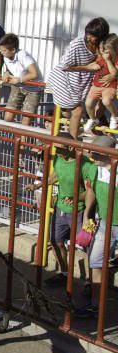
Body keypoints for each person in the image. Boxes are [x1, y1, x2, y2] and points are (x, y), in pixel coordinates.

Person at [24, 132, 91, 287]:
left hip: (79, 212)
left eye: (60, 149)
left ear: (69, 147)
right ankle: (64, 273)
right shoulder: (59, 160)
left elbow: (90, 192)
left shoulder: (85, 164)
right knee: (55, 241)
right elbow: (55, 177)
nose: (57, 152)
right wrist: (38, 185)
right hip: (60, 208)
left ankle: (89, 282)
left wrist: (76, 198)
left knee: (87, 247)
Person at [46, 17, 110, 140]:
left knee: (86, 107)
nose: (88, 37)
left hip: (81, 82)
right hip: (64, 79)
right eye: (88, 34)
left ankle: (73, 137)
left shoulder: (102, 46)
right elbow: (65, 66)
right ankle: (71, 144)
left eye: (93, 35)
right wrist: (88, 67)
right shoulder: (77, 44)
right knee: (77, 111)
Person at [78, 134, 118, 317]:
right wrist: (87, 213)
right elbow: (92, 191)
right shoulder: (97, 170)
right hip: (104, 223)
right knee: (95, 262)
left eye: (96, 153)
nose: (92, 157)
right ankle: (95, 306)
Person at [0, 33, 43, 126]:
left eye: (4, 50)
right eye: (0, 50)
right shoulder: (6, 56)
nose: (1, 52)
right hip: (18, 86)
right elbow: (10, 68)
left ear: (13, 50)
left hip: (33, 89)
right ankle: (14, 138)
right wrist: (6, 73)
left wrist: (19, 79)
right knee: (8, 117)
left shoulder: (23, 55)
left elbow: (34, 74)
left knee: (26, 121)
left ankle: (21, 139)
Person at [84, 33, 118, 134]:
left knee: (106, 101)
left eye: (107, 49)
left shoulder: (115, 59)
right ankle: (93, 119)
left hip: (109, 86)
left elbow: (114, 73)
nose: (105, 52)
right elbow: (93, 65)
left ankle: (114, 117)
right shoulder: (100, 56)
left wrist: (107, 60)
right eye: (103, 49)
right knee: (88, 103)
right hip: (96, 85)